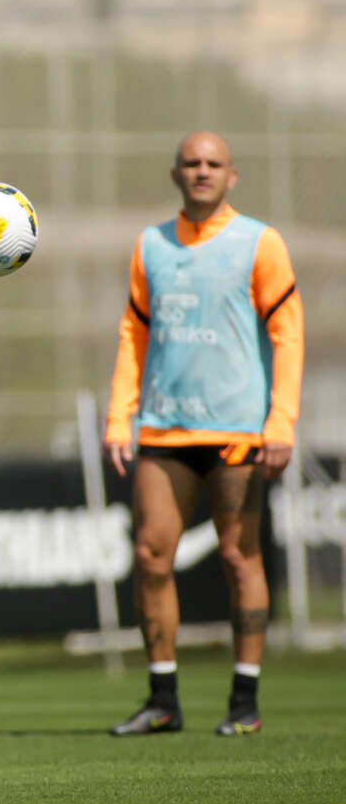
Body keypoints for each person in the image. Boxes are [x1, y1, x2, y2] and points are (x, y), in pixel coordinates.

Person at [103, 131, 304, 737]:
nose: (202, 171)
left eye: (214, 163)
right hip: (164, 426)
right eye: (191, 163)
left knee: (240, 557)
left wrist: (281, 420)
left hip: (238, 428)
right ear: (175, 175)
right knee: (149, 555)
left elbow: (288, 335)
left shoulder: (260, 243)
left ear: (231, 175)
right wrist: (119, 417)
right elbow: (134, 334)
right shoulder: (151, 244)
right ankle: (162, 699)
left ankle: (245, 702)